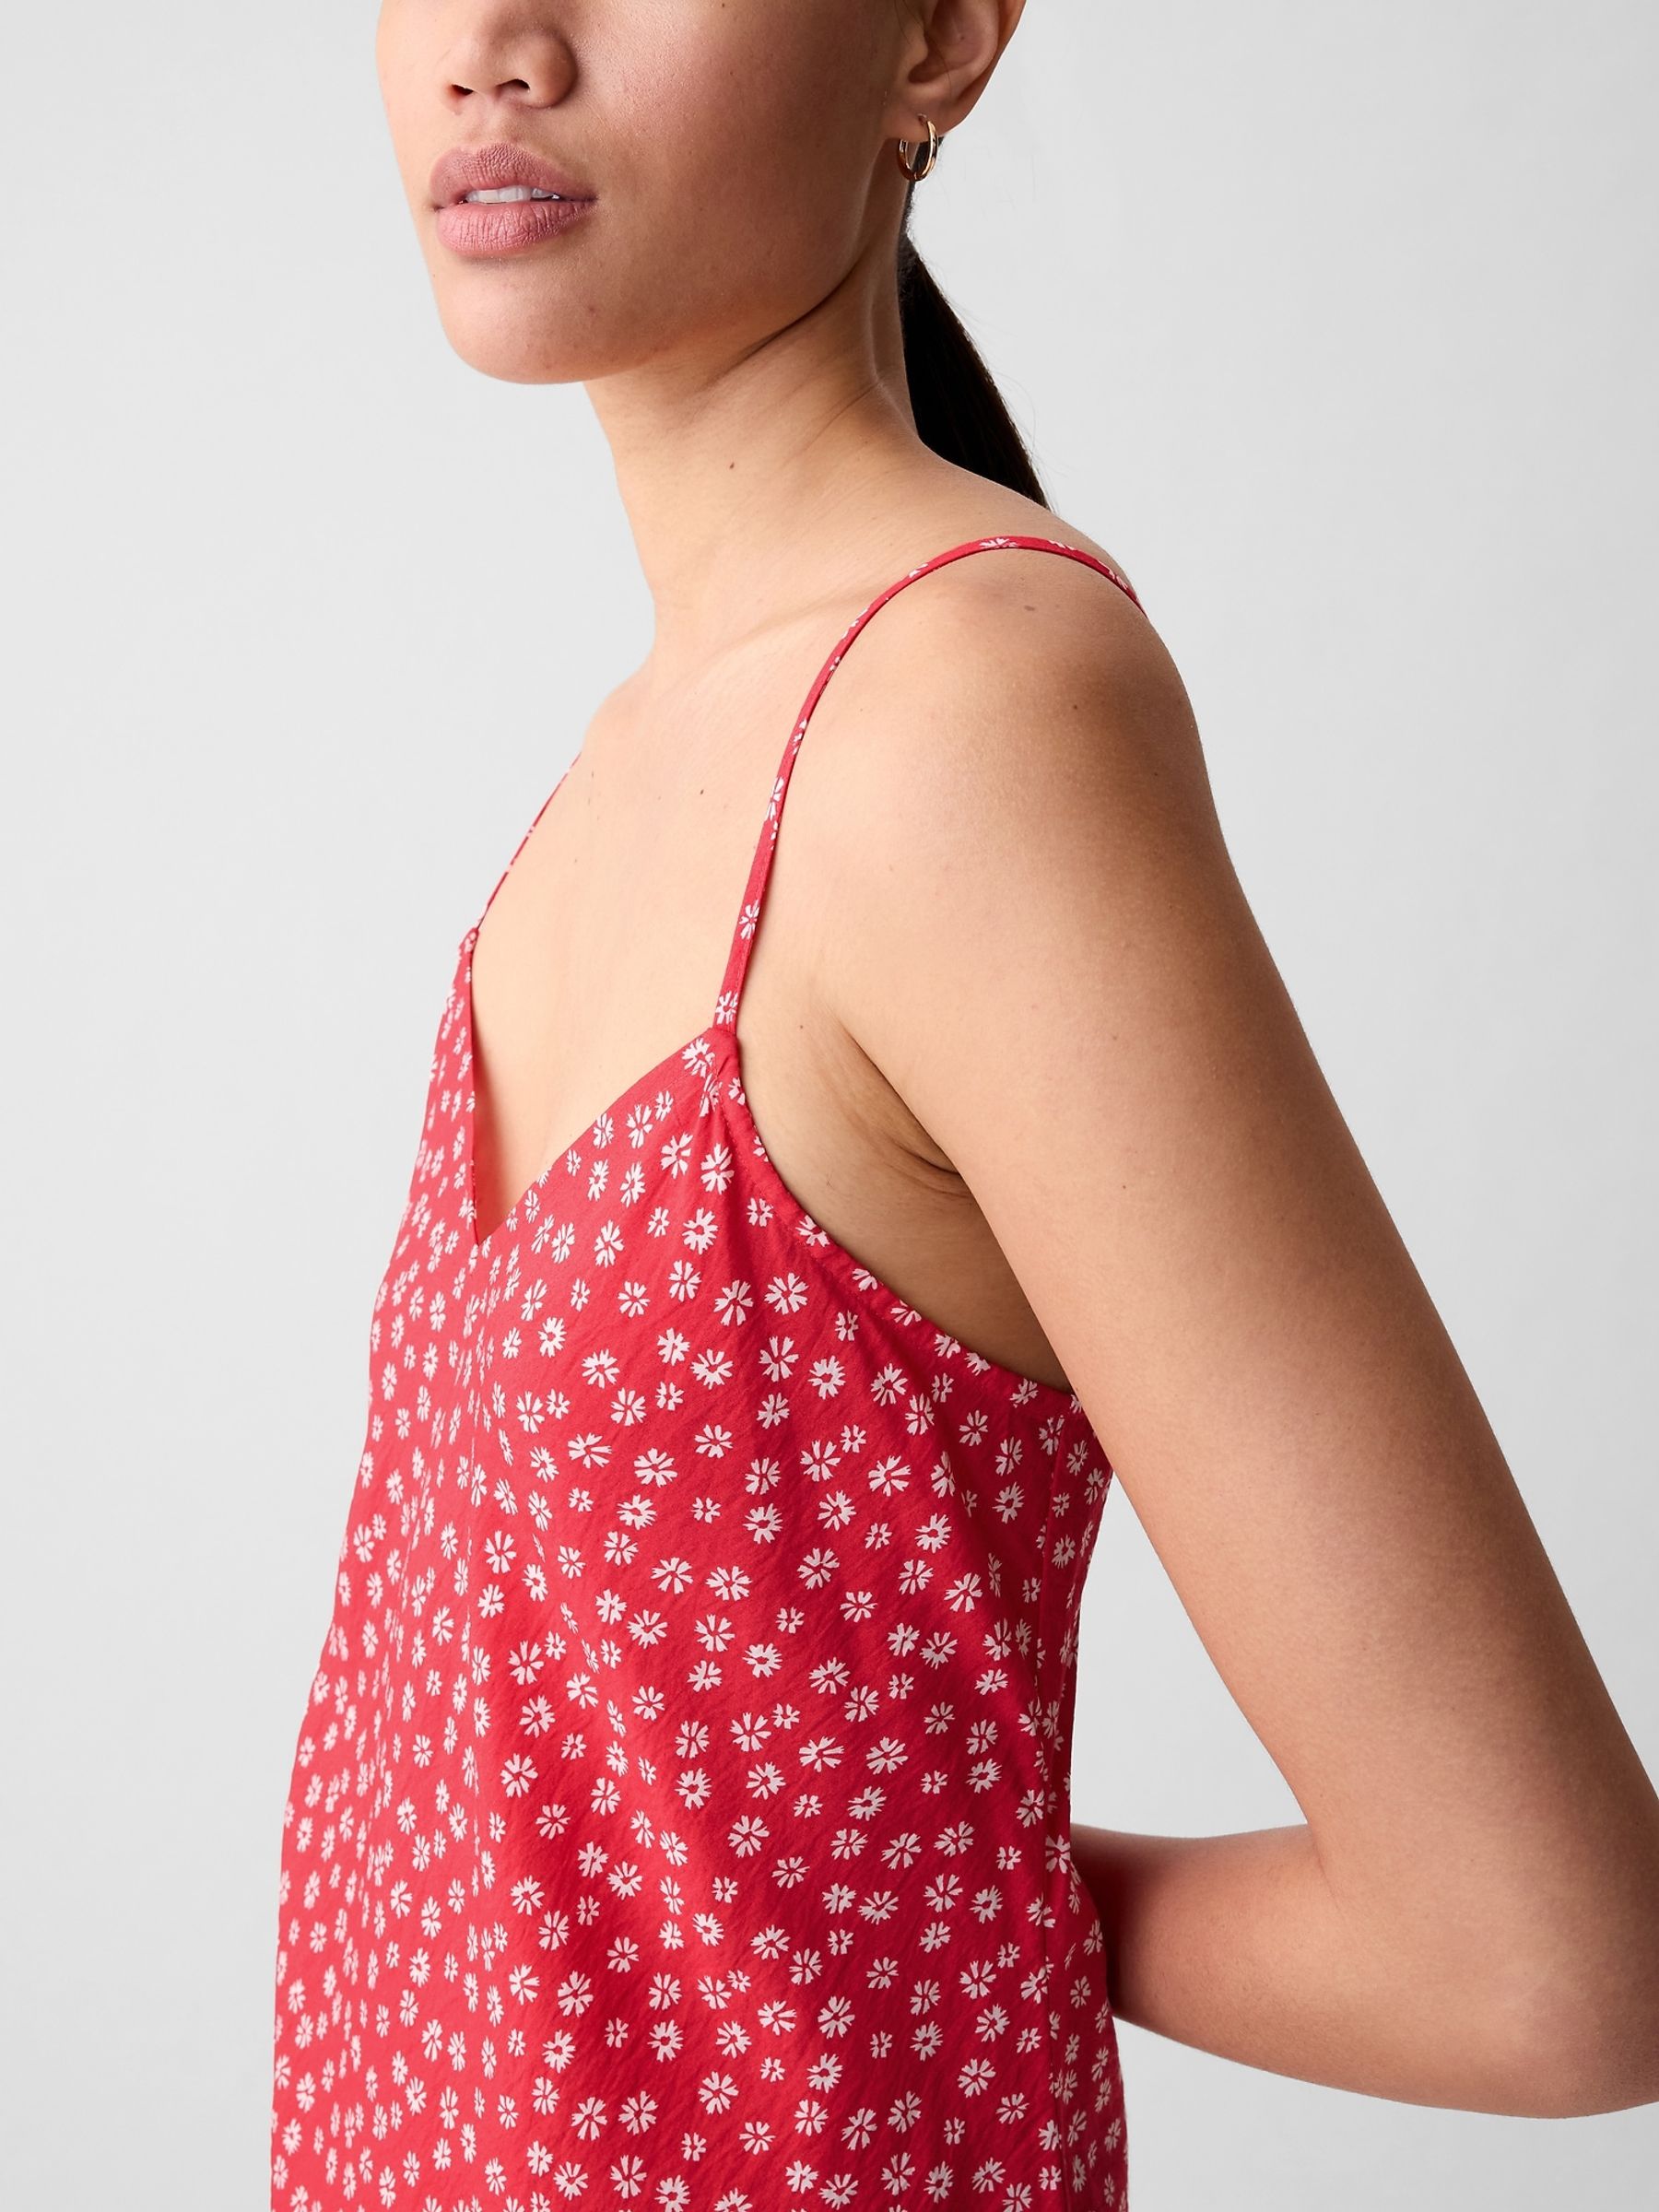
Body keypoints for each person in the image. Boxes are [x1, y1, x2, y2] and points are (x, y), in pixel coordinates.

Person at [270, 3, 1659, 2206]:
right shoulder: (621, 778)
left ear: (936, 38)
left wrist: (909, 1890)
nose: (497, 45)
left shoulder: (964, 726)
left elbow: (1546, 1960)